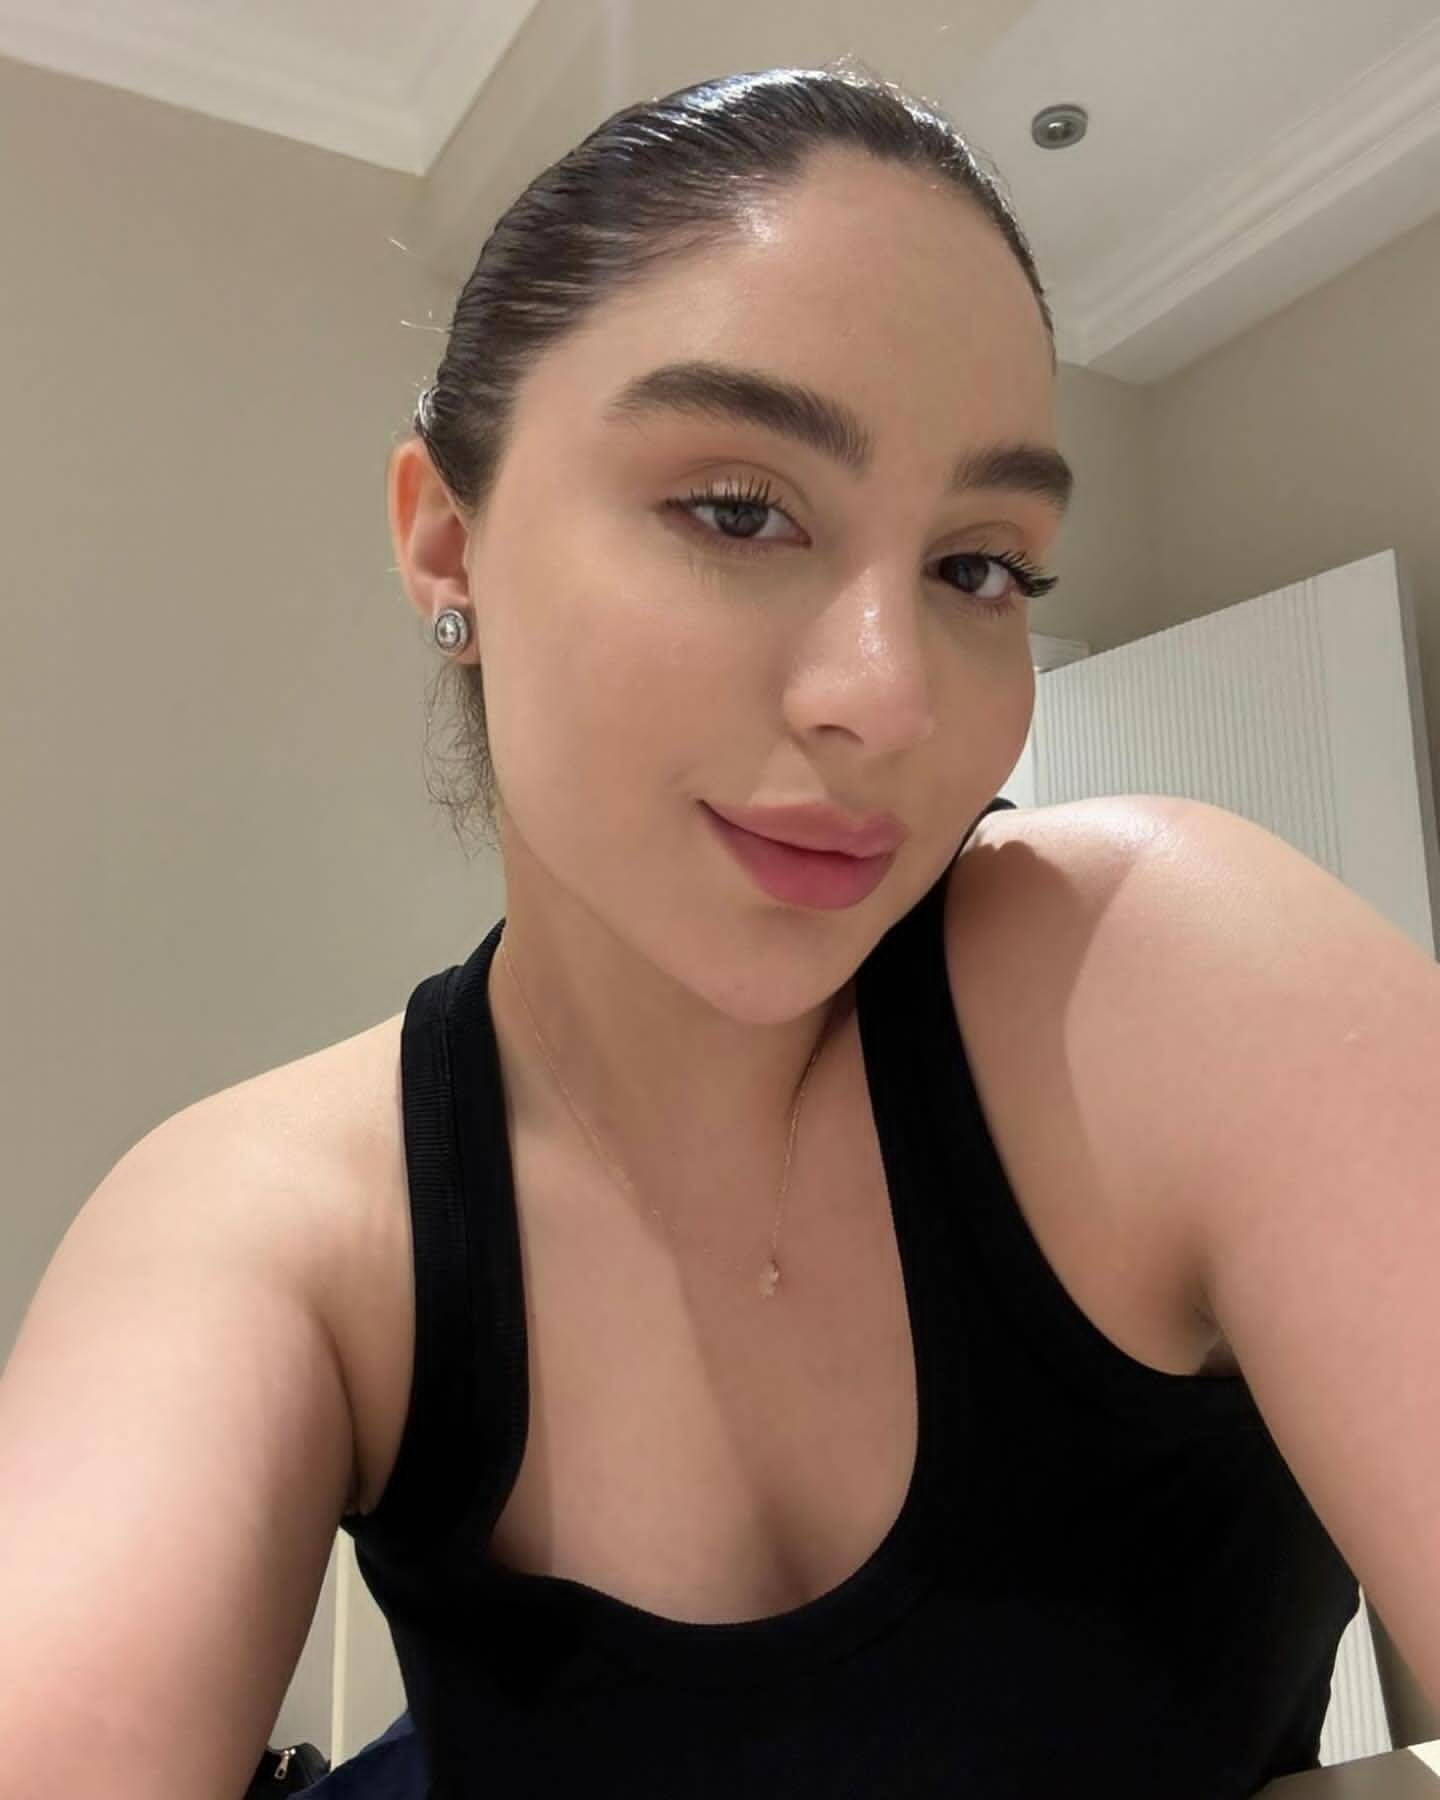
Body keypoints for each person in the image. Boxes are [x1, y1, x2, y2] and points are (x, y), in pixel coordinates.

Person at [0, 59, 1361, 1800]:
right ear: (448, 543)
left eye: (980, 566)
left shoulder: (1170, 980)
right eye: (738, 510)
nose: (889, 698)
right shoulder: (279, 1225)